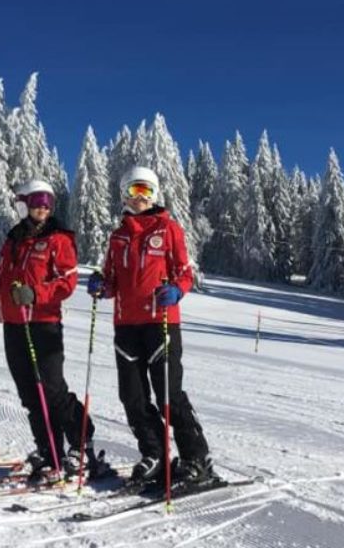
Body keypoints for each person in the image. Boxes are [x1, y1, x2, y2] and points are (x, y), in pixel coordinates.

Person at [0, 179, 111, 482]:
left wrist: (35, 294)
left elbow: (67, 283)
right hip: (15, 325)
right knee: (30, 395)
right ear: (24, 204)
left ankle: (82, 444)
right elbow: (5, 286)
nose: (41, 207)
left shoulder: (58, 239)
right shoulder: (12, 241)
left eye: (47, 201)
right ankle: (49, 451)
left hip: (43, 323)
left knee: (52, 389)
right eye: (35, 201)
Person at [87, 166, 215, 485]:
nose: (139, 197)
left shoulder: (168, 229)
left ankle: (195, 459)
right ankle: (154, 454)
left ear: (155, 193)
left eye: (145, 190)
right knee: (132, 396)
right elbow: (112, 280)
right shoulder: (118, 236)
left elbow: (185, 272)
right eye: (133, 191)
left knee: (168, 395)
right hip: (126, 326)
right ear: (124, 196)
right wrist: (101, 286)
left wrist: (178, 290)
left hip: (161, 323)